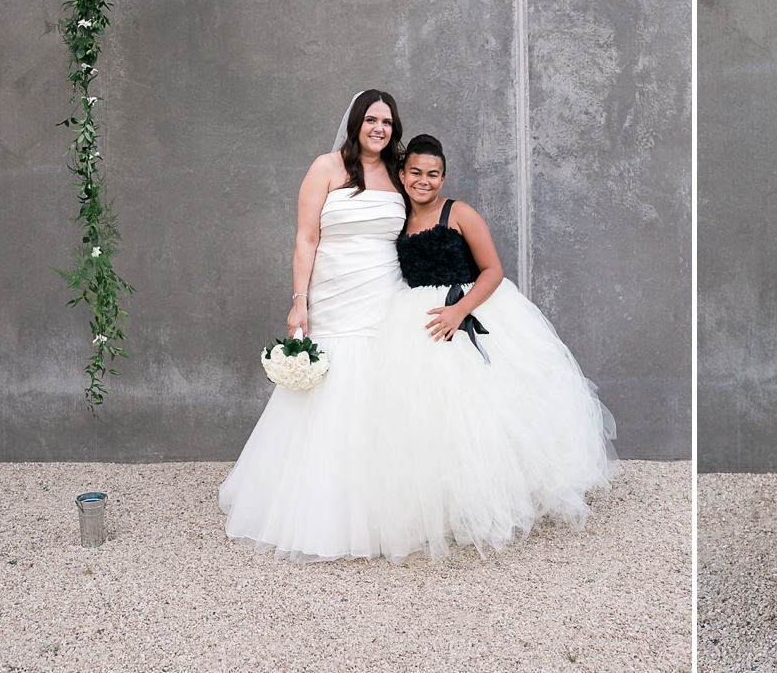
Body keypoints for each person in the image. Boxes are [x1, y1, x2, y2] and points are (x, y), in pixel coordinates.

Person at [368, 133, 616, 561]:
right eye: (416, 173)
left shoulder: (458, 212)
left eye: (433, 174)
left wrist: (458, 311)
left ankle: (494, 504)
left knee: (483, 413)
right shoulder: (397, 217)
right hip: (414, 320)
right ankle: (443, 508)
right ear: (403, 174)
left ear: (443, 177)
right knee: (428, 414)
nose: (424, 181)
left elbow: (493, 270)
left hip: (467, 309)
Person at [220, 90, 408, 560]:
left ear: (394, 127)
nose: (378, 129)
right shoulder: (326, 167)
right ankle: (319, 505)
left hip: (385, 292)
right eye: (370, 120)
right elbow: (306, 238)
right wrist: (299, 301)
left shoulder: (401, 174)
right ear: (355, 123)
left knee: (380, 388)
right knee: (331, 390)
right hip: (334, 292)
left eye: (386, 121)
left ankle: (386, 507)